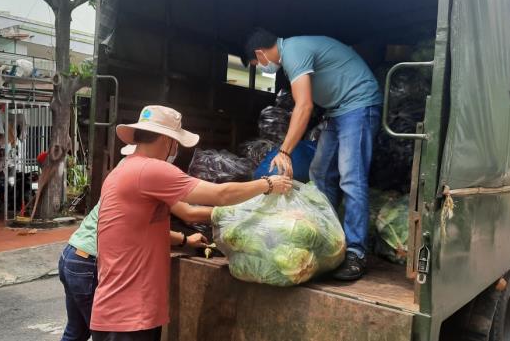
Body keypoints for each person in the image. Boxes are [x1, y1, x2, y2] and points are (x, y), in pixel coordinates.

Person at [90, 105, 292, 341]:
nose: (176, 149)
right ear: (167, 140)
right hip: (129, 318)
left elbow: (175, 218)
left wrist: (197, 233)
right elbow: (220, 194)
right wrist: (267, 185)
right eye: (176, 142)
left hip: (119, 313)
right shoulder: (150, 170)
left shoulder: (124, 170)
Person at [244, 28, 383, 281]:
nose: (262, 67)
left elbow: (305, 105)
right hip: (337, 110)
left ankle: (355, 253)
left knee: (351, 177)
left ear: (260, 54)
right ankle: (328, 238)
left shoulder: (294, 51)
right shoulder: (291, 56)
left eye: (257, 64)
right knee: (319, 172)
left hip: (359, 104)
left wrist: (285, 151)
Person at [58, 146, 211, 341]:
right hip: (91, 263)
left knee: (76, 332)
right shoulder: (147, 176)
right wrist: (234, 212)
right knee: (111, 335)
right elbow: (189, 213)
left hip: (72, 256)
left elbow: (146, 228)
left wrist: (185, 240)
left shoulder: (123, 169)